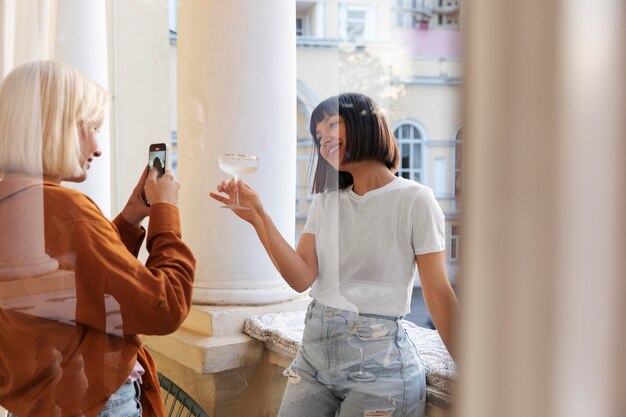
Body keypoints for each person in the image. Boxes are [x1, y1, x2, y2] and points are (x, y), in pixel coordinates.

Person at [210, 92, 458, 417]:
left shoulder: (415, 199)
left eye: (331, 126)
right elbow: (301, 278)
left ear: (366, 123)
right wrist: (259, 217)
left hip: (381, 369)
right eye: (318, 135)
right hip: (314, 356)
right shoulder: (327, 201)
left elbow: (438, 293)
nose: (324, 139)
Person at [0, 60, 196, 416]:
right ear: (50, 127)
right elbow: (164, 305)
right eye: (88, 126)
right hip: (93, 402)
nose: (97, 145)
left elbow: (79, 284)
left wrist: (131, 216)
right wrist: (165, 211)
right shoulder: (67, 209)